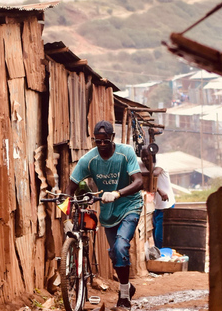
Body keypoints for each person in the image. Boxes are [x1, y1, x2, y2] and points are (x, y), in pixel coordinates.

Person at [65, 120, 143, 310]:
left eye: (105, 141)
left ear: (112, 138)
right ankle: (127, 287)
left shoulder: (126, 153)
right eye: (97, 141)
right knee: (116, 254)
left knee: (121, 246)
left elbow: (139, 181)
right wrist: (65, 215)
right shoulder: (88, 160)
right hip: (108, 214)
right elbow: (70, 187)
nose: (101, 145)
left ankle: (124, 297)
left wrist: (117, 193)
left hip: (130, 206)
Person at [139, 145, 175, 249]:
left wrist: (141, 175)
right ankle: (160, 259)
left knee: (160, 237)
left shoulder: (160, 161)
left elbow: (154, 174)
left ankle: (164, 258)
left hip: (166, 206)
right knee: (154, 237)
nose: (145, 159)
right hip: (156, 207)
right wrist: (159, 190)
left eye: (147, 156)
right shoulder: (141, 164)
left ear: (153, 155)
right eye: (143, 157)